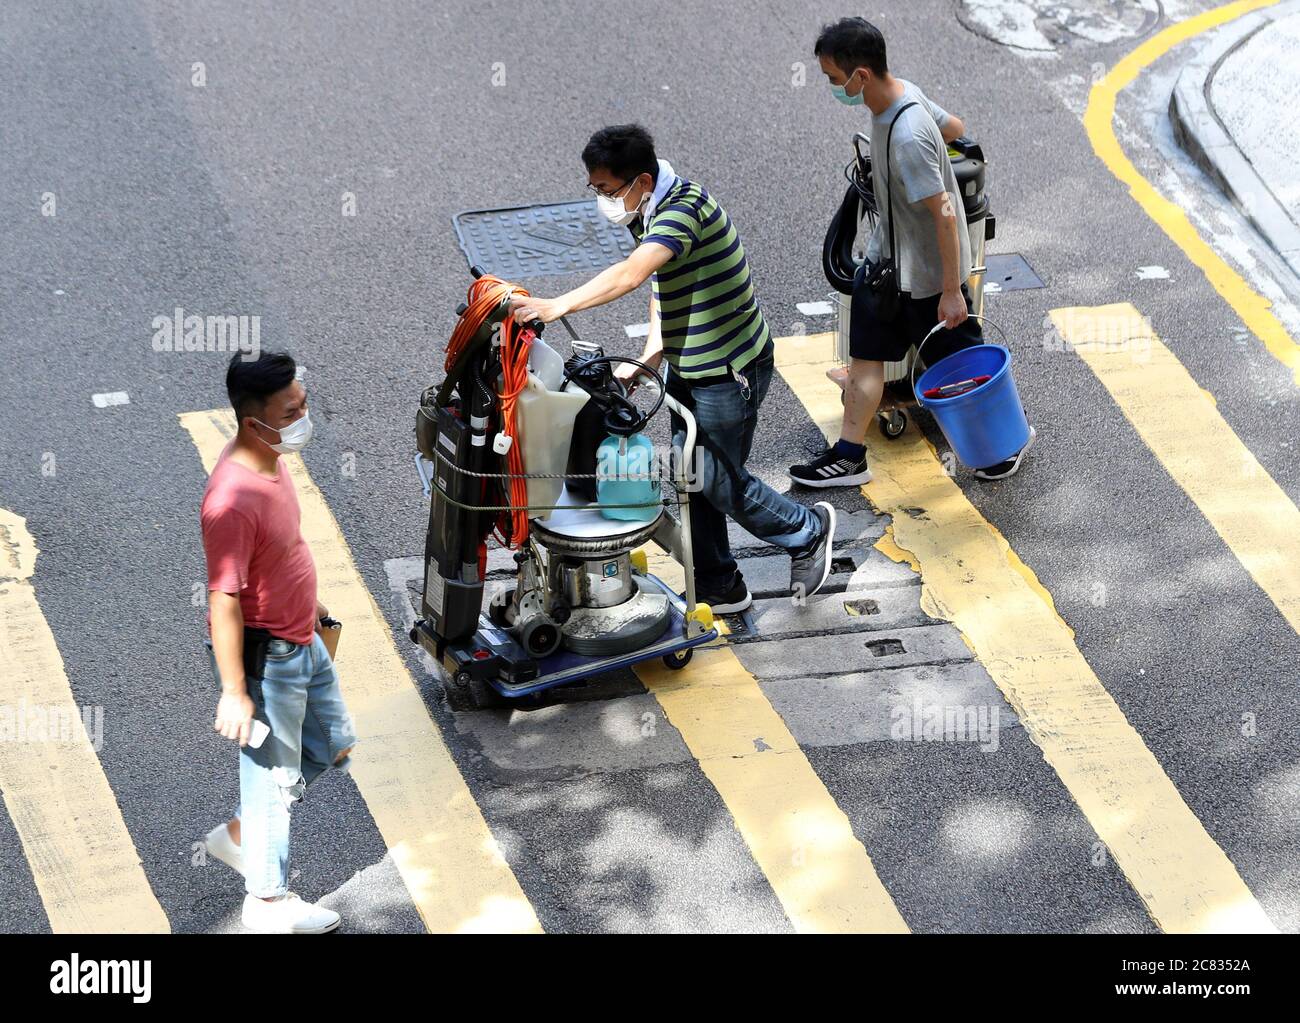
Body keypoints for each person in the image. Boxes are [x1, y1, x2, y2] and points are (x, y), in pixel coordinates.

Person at [509, 124, 836, 611]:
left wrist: (557, 306)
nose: (603, 200)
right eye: (595, 189)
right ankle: (718, 582)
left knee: (712, 475)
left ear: (641, 180)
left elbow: (632, 274)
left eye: (607, 190)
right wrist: (648, 359)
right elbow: (666, 287)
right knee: (689, 473)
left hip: (729, 369)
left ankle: (805, 530)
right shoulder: (649, 207)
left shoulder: (683, 210)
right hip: (689, 358)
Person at [790, 17, 1035, 487]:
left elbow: (944, 213)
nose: (832, 86)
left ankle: (1002, 451)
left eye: (834, 78)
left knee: (967, 371)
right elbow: (956, 127)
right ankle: (848, 457)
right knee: (865, 361)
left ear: (861, 75)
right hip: (887, 269)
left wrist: (951, 291)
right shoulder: (904, 93)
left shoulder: (906, 138)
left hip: (925, 281)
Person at [200, 350, 358, 934]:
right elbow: (224, 598)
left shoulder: (271, 457)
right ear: (252, 421)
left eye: (303, 405)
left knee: (333, 744)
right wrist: (235, 693)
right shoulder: (230, 502)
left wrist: (309, 603)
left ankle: (243, 834)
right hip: (272, 662)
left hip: (303, 636)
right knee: (274, 779)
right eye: (290, 412)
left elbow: (281, 550)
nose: (302, 418)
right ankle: (266, 905)